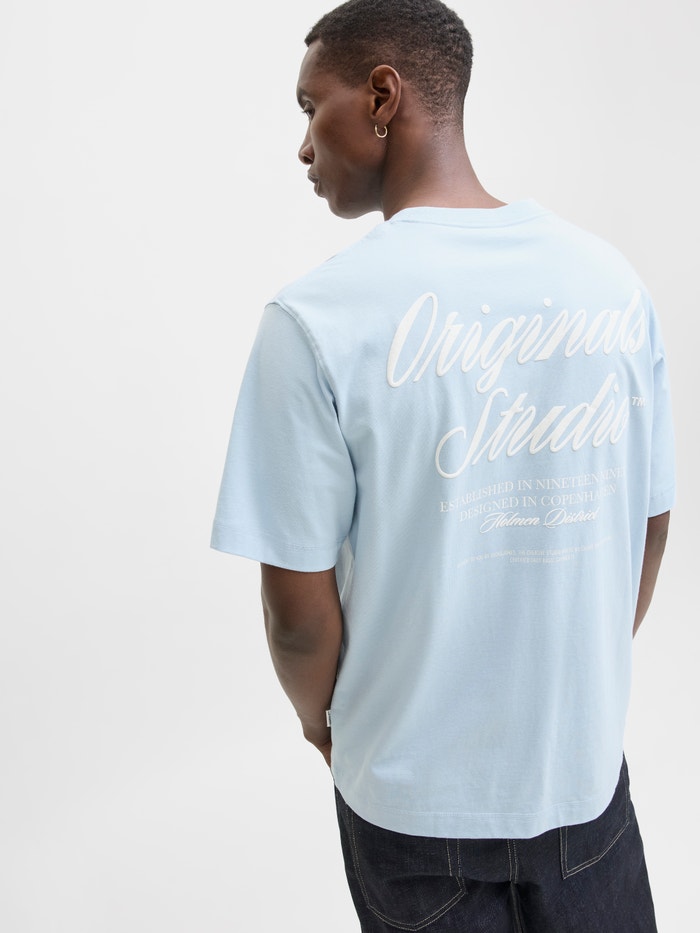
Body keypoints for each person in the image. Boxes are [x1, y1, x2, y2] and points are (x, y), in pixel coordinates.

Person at [211, 0, 675, 929]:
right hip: (583, 781)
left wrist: (326, 723)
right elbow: (649, 521)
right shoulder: (611, 284)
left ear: (382, 96)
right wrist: (575, 670)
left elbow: (296, 609)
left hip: (413, 805)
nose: (303, 146)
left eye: (310, 106)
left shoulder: (316, 320)